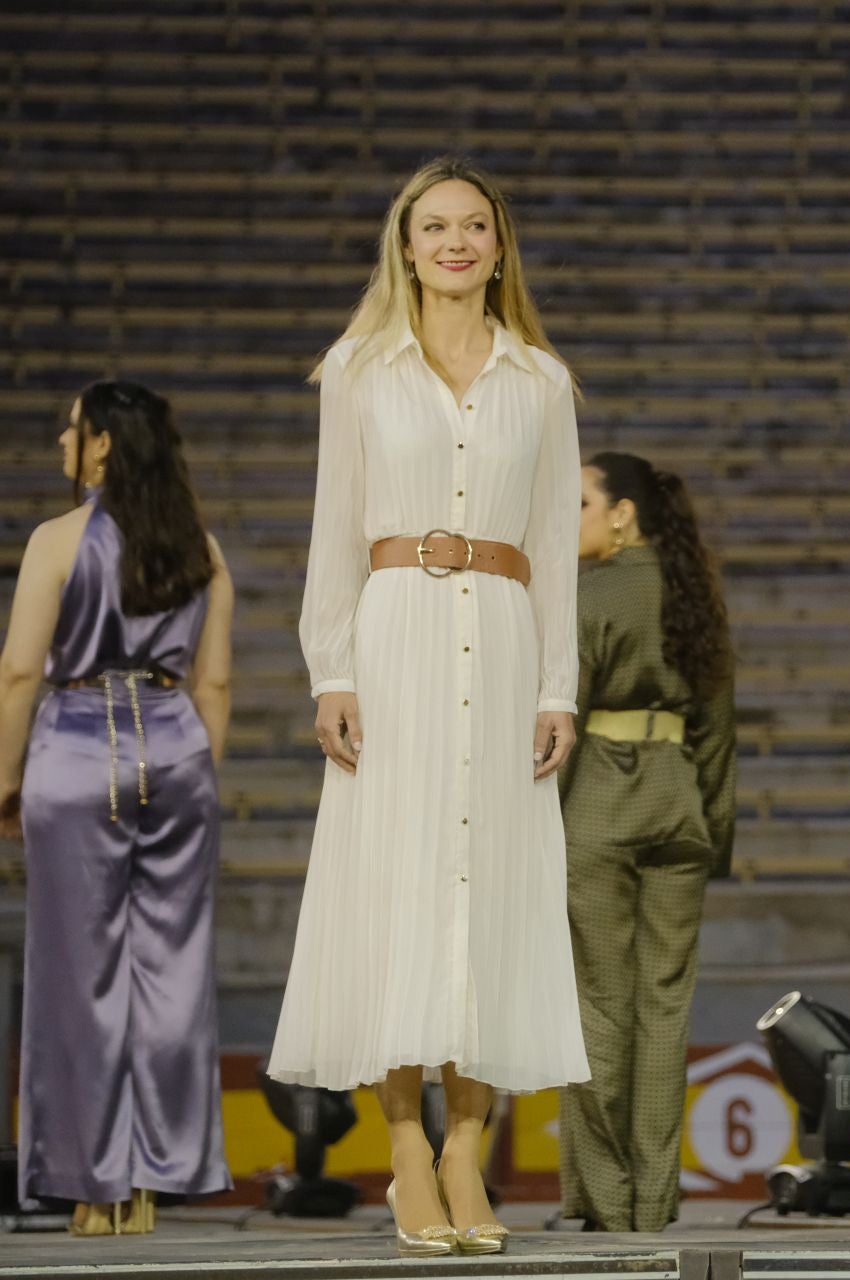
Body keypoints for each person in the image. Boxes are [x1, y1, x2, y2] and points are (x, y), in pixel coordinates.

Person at [266, 156, 589, 1258]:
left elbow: (554, 542)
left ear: (500, 246)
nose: (455, 242)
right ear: (405, 244)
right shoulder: (358, 368)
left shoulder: (542, 379)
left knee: (491, 886)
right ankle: (406, 1144)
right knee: (400, 883)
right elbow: (332, 529)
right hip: (395, 637)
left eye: (474, 226)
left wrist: (558, 685)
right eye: (434, 226)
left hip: (502, 643)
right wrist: (332, 669)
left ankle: (469, 1148)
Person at [0, 381, 234, 1234]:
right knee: (170, 977)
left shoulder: (59, 540)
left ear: (101, 446)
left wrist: (4, 777)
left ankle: (91, 1184)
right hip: (175, 751)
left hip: (76, 748)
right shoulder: (200, 547)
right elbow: (214, 682)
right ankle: (150, 1178)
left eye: (72, 428)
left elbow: (22, 670)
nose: (63, 440)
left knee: (77, 977)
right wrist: (192, 777)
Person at [559, 452, 737, 1232]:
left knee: (597, 1006)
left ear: (622, 513)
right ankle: (654, 1205)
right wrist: (713, 833)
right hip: (680, 808)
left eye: (581, 502)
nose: (570, 517)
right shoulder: (699, 591)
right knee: (666, 1009)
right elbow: (719, 729)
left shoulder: (586, 593)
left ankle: (604, 1201)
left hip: (599, 804)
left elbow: (557, 725)